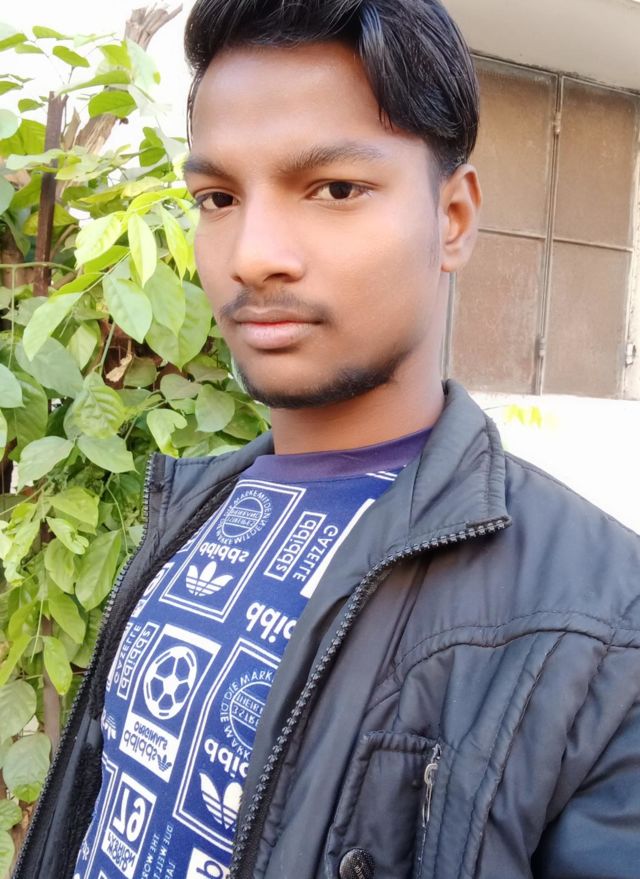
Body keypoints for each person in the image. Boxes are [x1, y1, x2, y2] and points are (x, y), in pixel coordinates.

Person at [15, 1, 640, 878]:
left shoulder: (604, 629)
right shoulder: (188, 508)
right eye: (219, 198)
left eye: (335, 189)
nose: (253, 255)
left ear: (453, 218)